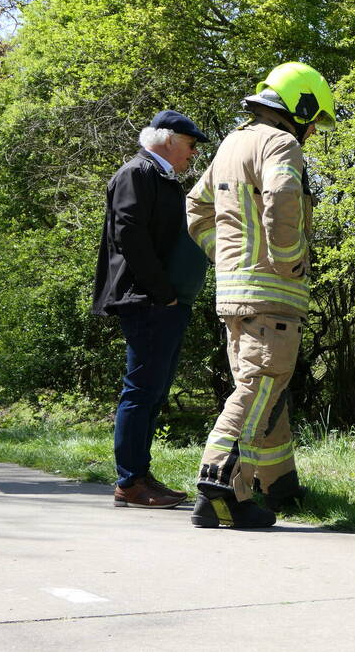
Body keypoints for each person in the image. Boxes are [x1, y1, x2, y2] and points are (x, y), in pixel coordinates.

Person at [186, 62, 335, 529]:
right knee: (259, 387)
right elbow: (282, 196)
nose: (311, 131)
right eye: (312, 121)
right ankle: (220, 490)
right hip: (272, 294)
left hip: (236, 294)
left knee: (269, 388)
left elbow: (196, 206)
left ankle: (279, 485)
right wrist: (289, 257)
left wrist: (224, 260)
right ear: (300, 106)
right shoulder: (280, 142)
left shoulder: (233, 143)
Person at [92, 110, 210, 509]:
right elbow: (129, 234)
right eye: (191, 145)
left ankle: (140, 476)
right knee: (141, 391)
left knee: (154, 391)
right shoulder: (137, 172)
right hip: (147, 300)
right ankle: (130, 482)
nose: (193, 153)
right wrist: (163, 293)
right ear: (168, 139)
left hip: (164, 300)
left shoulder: (160, 177)